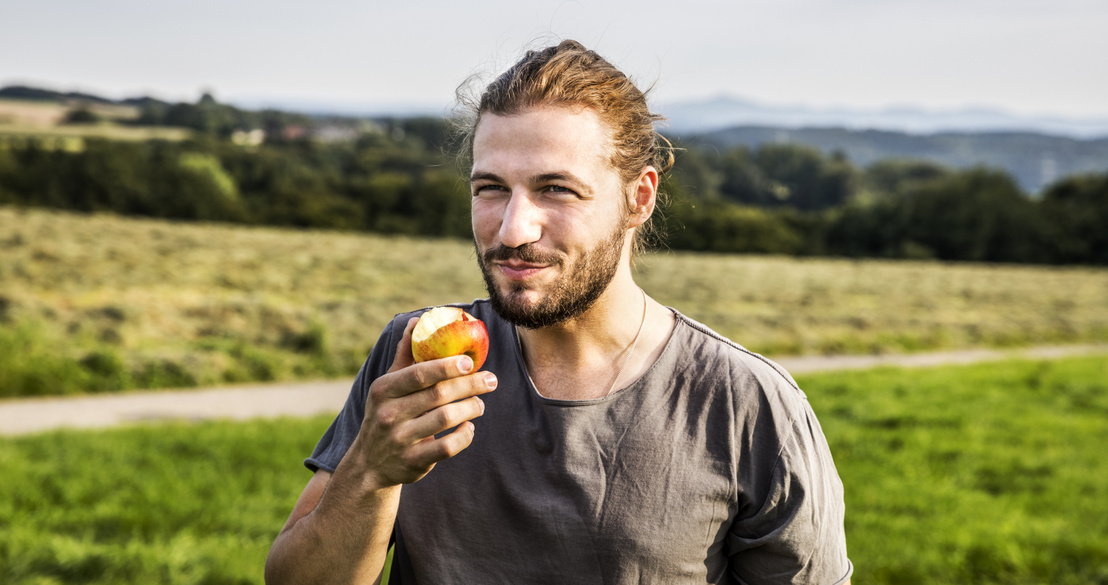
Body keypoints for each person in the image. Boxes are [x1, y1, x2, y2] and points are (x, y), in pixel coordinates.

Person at [265, 39, 852, 585]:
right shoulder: (413, 355)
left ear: (637, 198)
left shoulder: (747, 404)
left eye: (557, 189)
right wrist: (370, 472)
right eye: (490, 188)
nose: (513, 229)